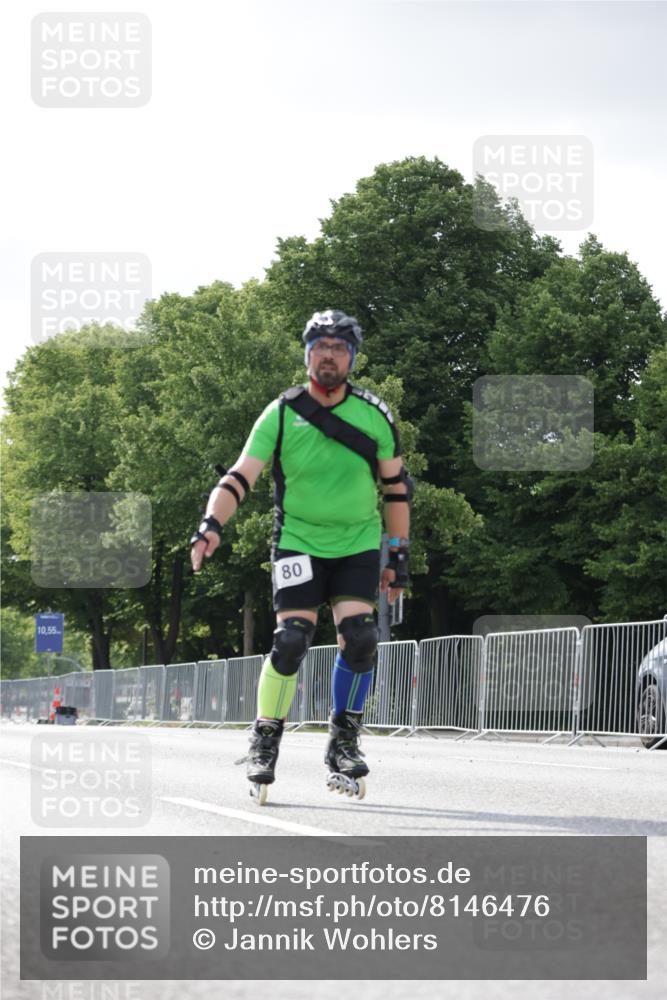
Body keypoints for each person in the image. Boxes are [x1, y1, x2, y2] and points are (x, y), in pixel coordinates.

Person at [190, 309, 411, 796]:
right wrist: (211, 526)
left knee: (360, 636)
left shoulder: (375, 414)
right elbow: (240, 474)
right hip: (298, 542)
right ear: (307, 354)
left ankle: (343, 742)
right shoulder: (282, 412)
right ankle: (265, 737)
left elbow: (396, 487)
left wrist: (397, 555)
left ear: (351, 357)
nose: (328, 354)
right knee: (291, 640)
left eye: (338, 347)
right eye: (320, 346)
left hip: (356, 543)